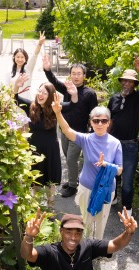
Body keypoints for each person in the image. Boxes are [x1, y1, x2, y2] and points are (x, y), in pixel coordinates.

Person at [52, 98, 122, 239]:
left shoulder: (115, 143)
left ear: (108, 123)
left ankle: (98, 249)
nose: (100, 124)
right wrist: (58, 113)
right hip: (87, 188)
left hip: (106, 189)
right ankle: (86, 250)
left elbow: (120, 170)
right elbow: (67, 130)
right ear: (90, 122)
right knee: (87, 222)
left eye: (103, 120)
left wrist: (106, 165)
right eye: (96, 120)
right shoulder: (86, 139)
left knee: (101, 224)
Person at [13, 76, 78, 209]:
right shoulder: (31, 106)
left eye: (44, 92)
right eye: (39, 91)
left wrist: (74, 94)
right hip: (34, 150)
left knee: (50, 182)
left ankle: (50, 208)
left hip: (50, 150)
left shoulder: (55, 108)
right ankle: (35, 209)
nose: (40, 94)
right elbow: (15, 99)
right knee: (35, 181)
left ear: (50, 96)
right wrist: (16, 85)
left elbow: (73, 105)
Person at [43, 56, 98, 198]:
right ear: (70, 75)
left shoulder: (90, 93)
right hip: (64, 130)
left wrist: (93, 132)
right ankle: (74, 180)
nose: (76, 76)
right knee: (68, 157)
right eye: (73, 73)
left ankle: (73, 186)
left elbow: (94, 114)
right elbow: (53, 81)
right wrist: (47, 69)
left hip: (78, 133)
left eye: (79, 74)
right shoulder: (67, 89)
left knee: (71, 160)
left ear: (84, 76)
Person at [107, 56, 139, 217]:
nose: (126, 83)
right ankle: (114, 198)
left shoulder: (138, 98)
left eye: (130, 81)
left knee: (127, 182)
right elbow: (110, 120)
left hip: (130, 145)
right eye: (124, 81)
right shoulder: (114, 99)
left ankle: (127, 210)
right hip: (113, 144)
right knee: (113, 175)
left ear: (134, 84)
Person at [8, 31, 46, 97]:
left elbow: (35, 54)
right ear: (14, 58)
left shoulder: (28, 68)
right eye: (18, 57)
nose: (20, 59)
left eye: (22, 57)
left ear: (25, 59)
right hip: (13, 99)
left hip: (26, 99)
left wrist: (39, 44)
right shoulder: (9, 70)